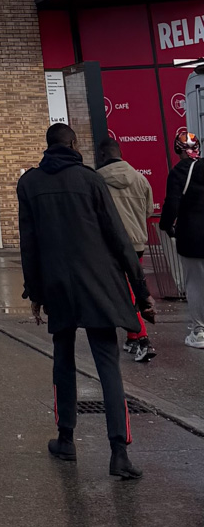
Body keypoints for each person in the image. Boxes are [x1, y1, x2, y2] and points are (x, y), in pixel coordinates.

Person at [18, 120, 153, 480]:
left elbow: (28, 245)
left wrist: (34, 292)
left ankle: (66, 440)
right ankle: (119, 452)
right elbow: (119, 239)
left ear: (46, 147)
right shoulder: (91, 180)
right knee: (107, 364)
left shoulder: (30, 183)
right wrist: (141, 293)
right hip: (99, 283)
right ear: (74, 144)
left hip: (58, 284)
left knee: (62, 361)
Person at [96, 137, 156, 362]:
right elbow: (148, 211)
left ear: (102, 155)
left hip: (109, 246)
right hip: (137, 244)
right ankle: (133, 336)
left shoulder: (97, 181)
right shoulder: (140, 179)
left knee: (125, 292)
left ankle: (141, 337)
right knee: (133, 287)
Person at [160, 127, 204, 350]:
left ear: (178, 150)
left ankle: (199, 331)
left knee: (195, 283)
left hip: (192, 236)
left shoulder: (178, 172)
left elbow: (172, 204)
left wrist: (166, 226)